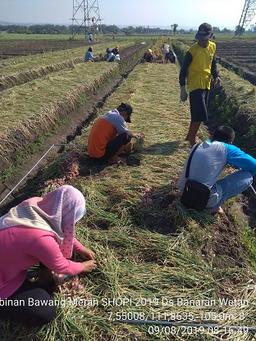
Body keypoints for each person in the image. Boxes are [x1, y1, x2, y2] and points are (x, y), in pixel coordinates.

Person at [0, 185, 97, 326]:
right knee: (44, 311)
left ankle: (38, 279)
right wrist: (82, 266)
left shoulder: (35, 204)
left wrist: (81, 248)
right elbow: (61, 266)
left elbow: (61, 231)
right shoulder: (40, 239)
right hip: (3, 283)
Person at [178, 126, 256, 213]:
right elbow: (254, 165)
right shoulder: (228, 148)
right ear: (230, 142)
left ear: (212, 136)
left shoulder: (198, 145)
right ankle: (214, 206)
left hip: (182, 191)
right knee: (248, 176)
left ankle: (211, 199)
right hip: (201, 200)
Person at [179, 23, 221, 147]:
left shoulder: (213, 46)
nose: (202, 40)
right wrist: (182, 88)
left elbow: (212, 64)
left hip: (206, 84)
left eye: (205, 38)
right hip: (195, 84)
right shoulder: (192, 51)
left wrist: (217, 76)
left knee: (198, 113)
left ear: (211, 36)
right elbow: (183, 69)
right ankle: (192, 139)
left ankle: (189, 136)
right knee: (200, 113)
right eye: (200, 37)